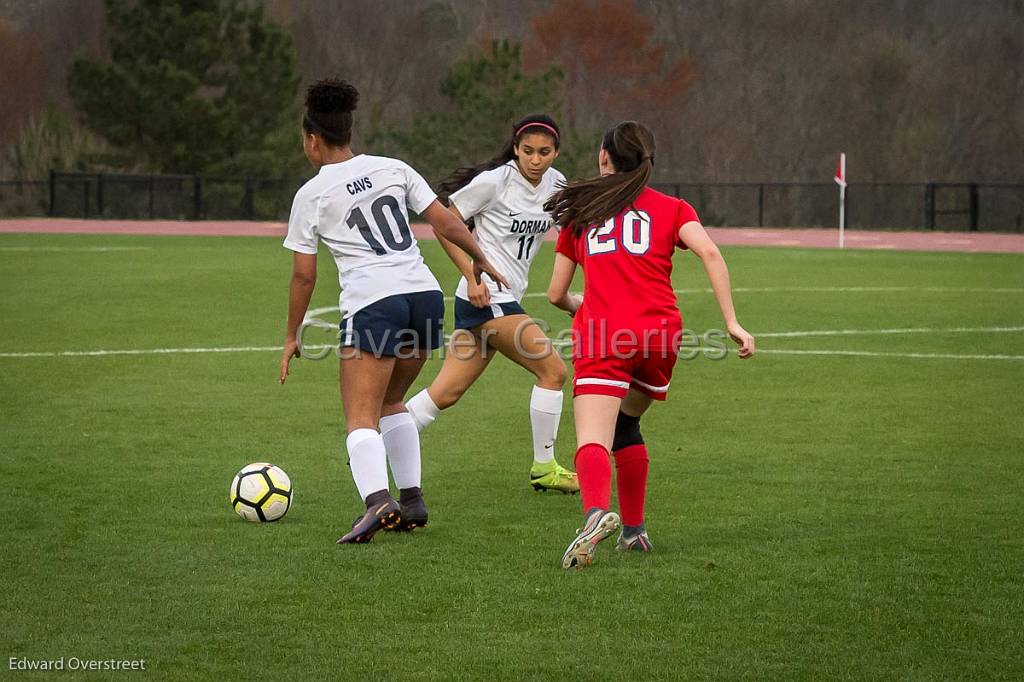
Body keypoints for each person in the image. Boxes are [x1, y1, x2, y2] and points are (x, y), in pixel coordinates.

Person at [279, 78, 508, 544]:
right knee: (392, 402)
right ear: (349, 130)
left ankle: (376, 503)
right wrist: (478, 257)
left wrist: (291, 334)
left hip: (373, 301)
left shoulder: (311, 194)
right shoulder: (392, 168)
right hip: (423, 296)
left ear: (312, 139)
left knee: (360, 416)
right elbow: (443, 218)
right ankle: (412, 500)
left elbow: (305, 275)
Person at [545, 121, 755, 569]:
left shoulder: (581, 211)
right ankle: (635, 533)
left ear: (604, 158)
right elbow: (712, 254)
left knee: (593, 437)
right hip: (660, 334)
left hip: (606, 333)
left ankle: (597, 513)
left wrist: (578, 304)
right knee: (626, 426)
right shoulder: (673, 208)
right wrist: (732, 322)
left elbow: (555, 293)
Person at [405, 115, 579, 494]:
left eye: (544, 152)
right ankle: (545, 467)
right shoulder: (494, 182)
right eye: (528, 151)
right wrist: (471, 276)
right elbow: (444, 225)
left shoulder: (557, 184)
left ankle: (372, 442)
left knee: (444, 395)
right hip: (487, 298)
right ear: (516, 149)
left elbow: (572, 232)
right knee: (553, 371)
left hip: (503, 300)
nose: (535, 159)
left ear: (556, 152)